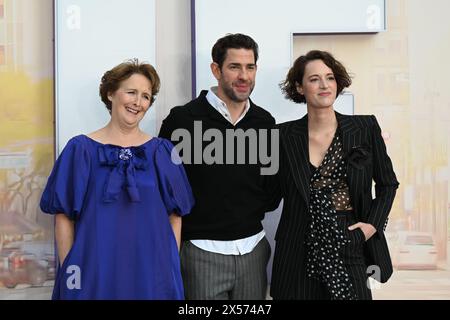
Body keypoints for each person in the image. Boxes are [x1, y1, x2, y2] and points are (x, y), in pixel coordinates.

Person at [40, 59, 194, 300]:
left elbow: (175, 217)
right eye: (131, 92)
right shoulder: (79, 150)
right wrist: (71, 272)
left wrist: (168, 268)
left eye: (145, 96)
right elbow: (64, 217)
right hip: (93, 273)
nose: (138, 102)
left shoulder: (163, 152)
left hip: (151, 274)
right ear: (111, 93)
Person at [269, 50, 399, 300]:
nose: (324, 85)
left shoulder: (364, 127)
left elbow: (388, 184)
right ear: (299, 87)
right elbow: (267, 193)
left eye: (329, 77)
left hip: (350, 242)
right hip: (297, 252)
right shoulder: (282, 136)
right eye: (314, 79)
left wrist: (371, 226)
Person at [158, 33, 277, 300]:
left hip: (254, 252)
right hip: (200, 253)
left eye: (250, 67)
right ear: (216, 69)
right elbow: (165, 189)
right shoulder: (182, 120)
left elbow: (271, 186)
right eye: (234, 67)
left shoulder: (265, 121)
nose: (244, 76)